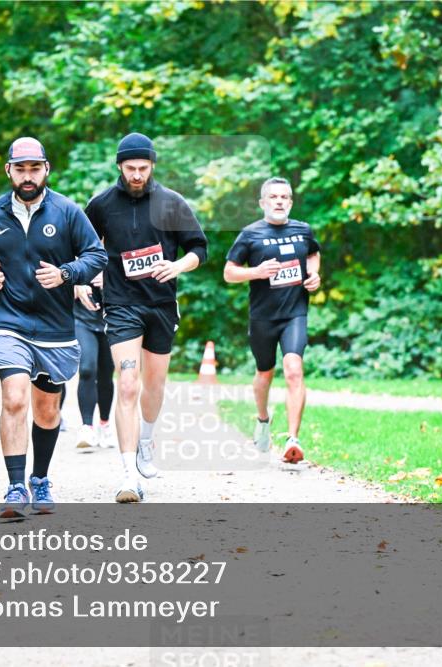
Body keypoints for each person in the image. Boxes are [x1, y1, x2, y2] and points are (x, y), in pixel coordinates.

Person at [0, 136, 107, 518]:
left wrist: (66, 274)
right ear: (9, 170)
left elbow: (97, 255)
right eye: (21, 169)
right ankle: (14, 487)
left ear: (46, 170)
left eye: (35, 168)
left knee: (46, 411)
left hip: (55, 326)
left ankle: (39, 479)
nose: (28, 176)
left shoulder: (68, 211)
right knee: (14, 398)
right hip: (8, 321)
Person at [85, 133, 207, 502]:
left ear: (152, 165)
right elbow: (85, 249)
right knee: (127, 383)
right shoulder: (102, 204)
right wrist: (83, 281)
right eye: (130, 168)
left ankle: (146, 442)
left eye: (143, 168)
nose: (137, 174)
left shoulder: (172, 202)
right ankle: (127, 475)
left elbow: (199, 248)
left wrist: (177, 266)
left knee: (154, 385)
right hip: (121, 304)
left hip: (161, 304)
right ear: (119, 167)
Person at [222, 177, 321, 464]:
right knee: (265, 372)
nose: (279, 201)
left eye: (284, 197)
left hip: (295, 313)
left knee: (293, 369)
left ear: (290, 202)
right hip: (263, 316)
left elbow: (313, 253)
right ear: (263, 203)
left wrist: (314, 275)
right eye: (273, 197)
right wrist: (257, 272)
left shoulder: (303, 230)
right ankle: (263, 419)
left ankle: (293, 440)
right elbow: (229, 273)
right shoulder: (250, 234)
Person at [73, 271, 115, 449]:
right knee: (87, 368)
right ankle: (87, 427)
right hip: (82, 320)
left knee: (106, 374)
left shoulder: (118, 248)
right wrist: (74, 284)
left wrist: (111, 280)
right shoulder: (77, 247)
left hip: (111, 321)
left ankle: (105, 425)